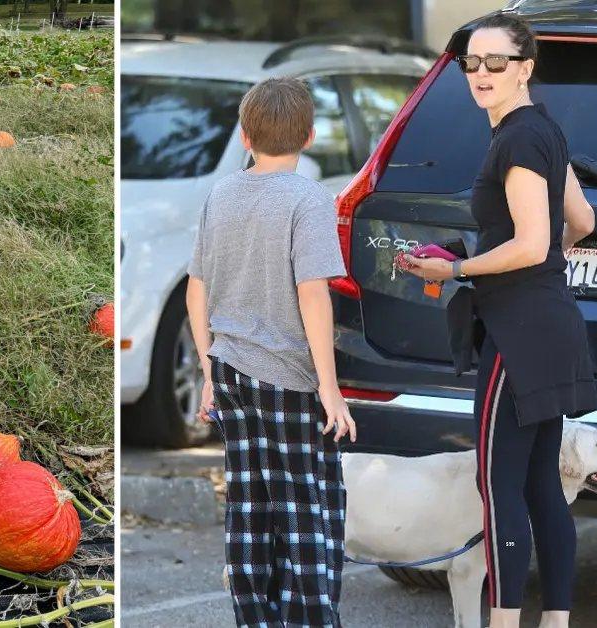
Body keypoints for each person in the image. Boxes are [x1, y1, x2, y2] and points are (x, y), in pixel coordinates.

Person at [401, 13, 597, 628]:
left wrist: (455, 273)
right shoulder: (543, 130)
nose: (481, 74)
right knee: (541, 484)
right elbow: (583, 224)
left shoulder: (516, 139)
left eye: (497, 63)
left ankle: (507, 620)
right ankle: (556, 621)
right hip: (551, 326)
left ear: (526, 67)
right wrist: (528, 275)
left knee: (499, 487)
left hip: (516, 336)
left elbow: (532, 243)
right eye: (471, 63)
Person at [185, 77, 357, 628]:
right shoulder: (310, 200)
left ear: (244, 135)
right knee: (309, 511)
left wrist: (208, 368)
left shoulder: (222, 194)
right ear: (308, 137)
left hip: (232, 371)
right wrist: (329, 388)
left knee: (250, 505)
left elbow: (197, 286)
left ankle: (256, 617)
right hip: (291, 378)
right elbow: (314, 294)